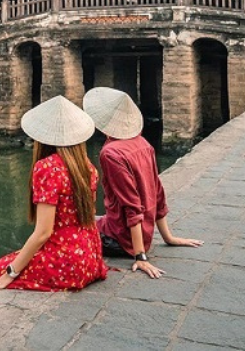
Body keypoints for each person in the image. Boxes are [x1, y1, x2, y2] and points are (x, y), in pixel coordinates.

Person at [0, 96, 108, 299]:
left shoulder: (47, 168)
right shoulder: (87, 167)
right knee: (16, 257)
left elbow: (43, 232)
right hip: (91, 258)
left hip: (66, 263)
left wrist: (10, 274)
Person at [83, 87, 203, 279]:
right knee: (92, 218)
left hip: (120, 239)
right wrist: (167, 237)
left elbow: (131, 205)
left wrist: (140, 256)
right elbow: (157, 192)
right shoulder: (143, 144)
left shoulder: (111, 154)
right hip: (135, 232)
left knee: (69, 228)